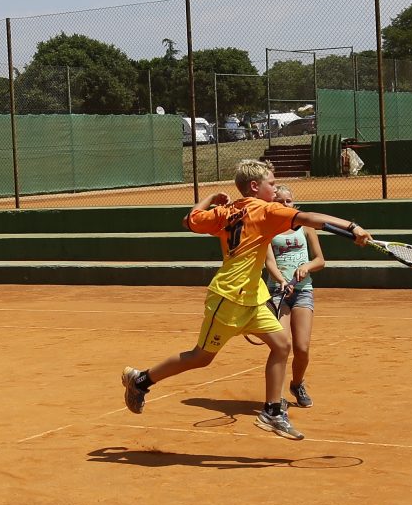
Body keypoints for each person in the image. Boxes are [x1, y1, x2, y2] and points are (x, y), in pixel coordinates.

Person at [121, 159, 371, 440]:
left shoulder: (227, 211)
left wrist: (211, 199)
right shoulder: (265, 210)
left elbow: (189, 220)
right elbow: (309, 217)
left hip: (252, 298)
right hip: (228, 297)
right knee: (201, 357)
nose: (276, 190)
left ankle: (273, 412)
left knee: (281, 345)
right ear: (255, 186)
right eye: (272, 184)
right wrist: (353, 228)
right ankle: (141, 380)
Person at [263, 183, 327, 409]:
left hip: (303, 292)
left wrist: (307, 267)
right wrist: (281, 281)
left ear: (294, 203)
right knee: (282, 345)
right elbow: (269, 262)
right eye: (279, 202)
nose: (284, 205)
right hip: (278, 293)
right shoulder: (267, 228)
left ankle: (297, 383)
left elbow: (320, 260)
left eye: (288, 201)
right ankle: (276, 396)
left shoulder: (305, 227)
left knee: (302, 348)